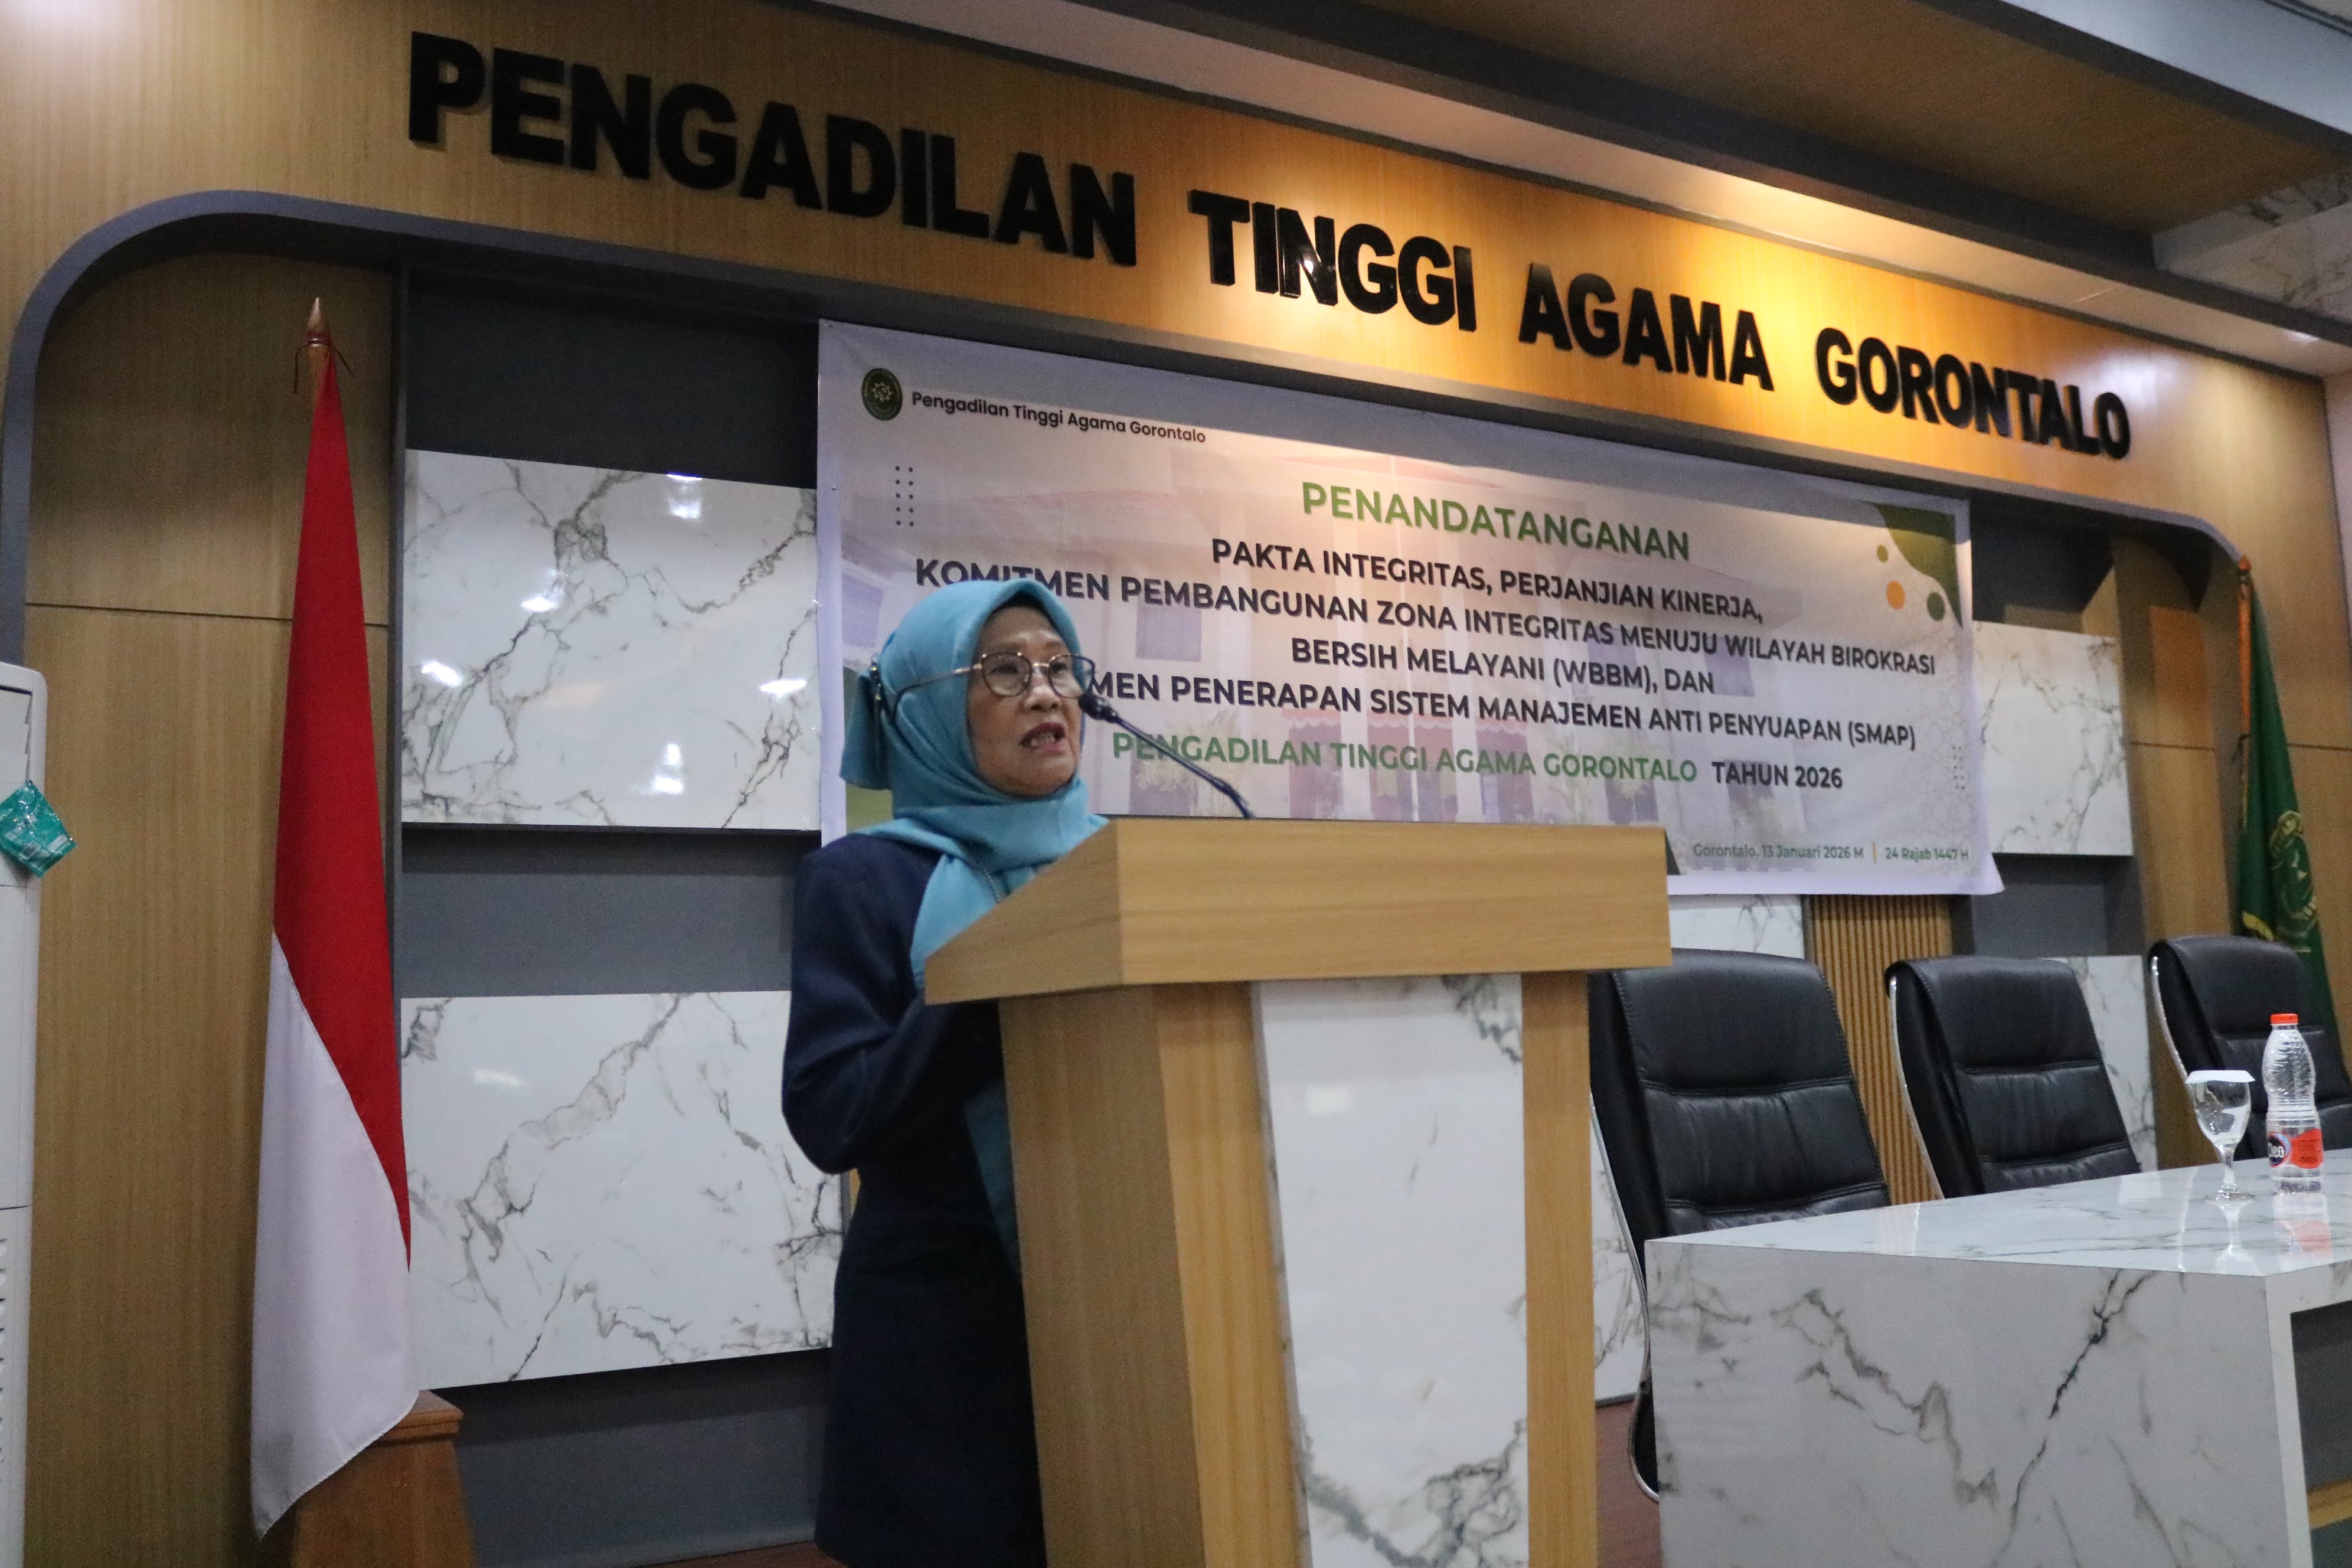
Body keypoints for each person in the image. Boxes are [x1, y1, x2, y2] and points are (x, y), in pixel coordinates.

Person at [782, 578, 1104, 1568]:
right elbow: (834, 1116)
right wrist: (997, 970)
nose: (1044, 693)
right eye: (1003, 670)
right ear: (924, 710)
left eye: (1059, 668)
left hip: (1122, 1307)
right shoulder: (863, 880)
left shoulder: (1119, 875)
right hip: (945, 1347)